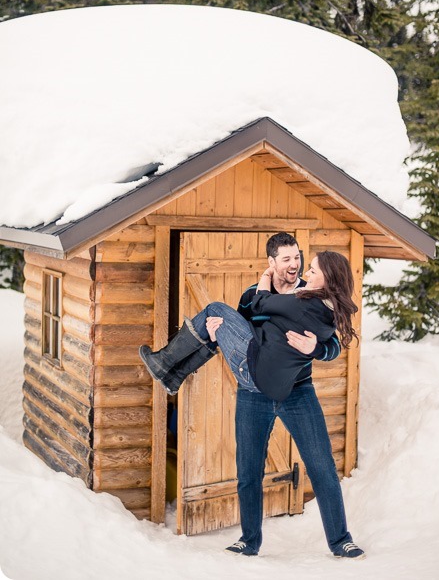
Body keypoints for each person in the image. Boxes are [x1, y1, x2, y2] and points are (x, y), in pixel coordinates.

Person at [139, 240, 365, 560]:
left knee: (322, 466)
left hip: (298, 393)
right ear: (271, 262)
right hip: (252, 391)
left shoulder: (308, 295)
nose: (294, 265)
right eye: (286, 258)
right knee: (248, 471)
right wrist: (216, 332)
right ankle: (249, 539)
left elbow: (334, 347)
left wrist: (314, 348)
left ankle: (341, 540)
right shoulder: (251, 295)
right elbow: (243, 334)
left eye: (298, 258)